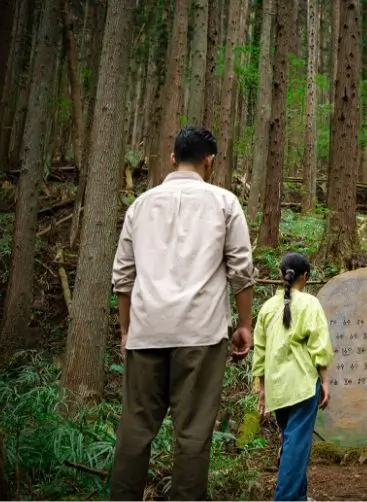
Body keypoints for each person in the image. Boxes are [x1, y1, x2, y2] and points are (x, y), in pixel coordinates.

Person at [109, 126, 256, 501]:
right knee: (192, 434)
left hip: (146, 331)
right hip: (201, 334)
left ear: (172, 158)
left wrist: (127, 331)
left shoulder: (140, 205)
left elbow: (123, 276)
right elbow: (241, 271)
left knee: (135, 431)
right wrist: (244, 324)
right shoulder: (225, 203)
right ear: (210, 162)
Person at [252, 252, 333, 501]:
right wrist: (326, 381)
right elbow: (320, 347)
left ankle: (298, 497)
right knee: (296, 447)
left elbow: (260, 352)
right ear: (305, 277)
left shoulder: (267, 308)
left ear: (280, 275)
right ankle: (285, 498)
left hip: (277, 387)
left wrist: (261, 387)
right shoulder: (310, 304)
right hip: (303, 386)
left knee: (293, 444)